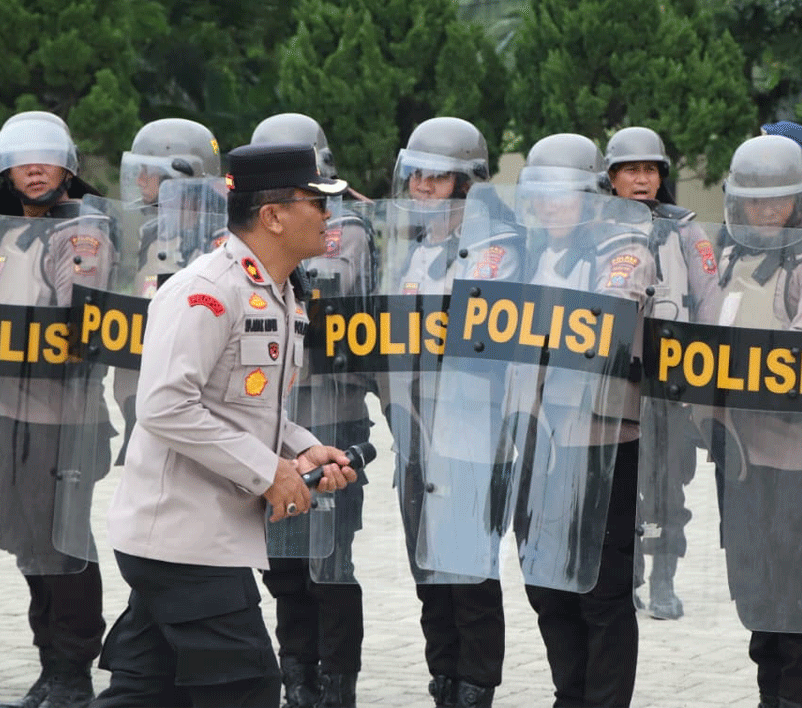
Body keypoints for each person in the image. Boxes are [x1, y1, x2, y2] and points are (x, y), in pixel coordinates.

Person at [92, 143, 358, 708]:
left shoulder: (279, 290)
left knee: (147, 690)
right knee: (249, 688)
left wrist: (303, 450)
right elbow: (164, 404)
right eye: (317, 201)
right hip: (184, 538)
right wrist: (268, 472)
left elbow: (247, 403)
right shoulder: (208, 291)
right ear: (273, 215)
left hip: (201, 535)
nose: (328, 215)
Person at [0, 112, 115, 708]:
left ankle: (73, 669)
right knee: (26, 543)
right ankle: (47, 662)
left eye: (46, 158)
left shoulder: (80, 232)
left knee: (62, 544)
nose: (34, 169)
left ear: (68, 166)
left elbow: (76, 322)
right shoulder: (10, 234)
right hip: (7, 417)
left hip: (64, 419)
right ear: (6, 169)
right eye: (22, 159)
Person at [510, 133, 653, 708]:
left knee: (600, 589)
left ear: (593, 196)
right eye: (541, 195)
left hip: (600, 438)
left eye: (564, 195)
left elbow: (608, 322)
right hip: (536, 436)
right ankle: (569, 694)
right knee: (545, 583)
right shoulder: (525, 252)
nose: (551, 206)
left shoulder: (625, 248)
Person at [710, 134, 802, 708]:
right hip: (740, 457)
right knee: (759, 601)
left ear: (800, 202)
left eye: (777, 202)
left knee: (798, 606)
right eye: (753, 202)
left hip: (799, 460)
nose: (765, 212)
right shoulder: (731, 256)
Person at [382, 117, 516, 708]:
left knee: (469, 571)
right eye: (417, 177)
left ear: (468, 184)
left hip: (470, 433)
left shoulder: (495, 252)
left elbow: (483, 346)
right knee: (427, 569)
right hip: (416, 432)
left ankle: (476, 682)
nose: (423, 189)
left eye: (438, 178)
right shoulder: (418, 251)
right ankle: (443, 675)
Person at [250, 113, 372, 708]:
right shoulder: (249, 231)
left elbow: (337, 290)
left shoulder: (346, 226)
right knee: (281, 562)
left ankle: (337, 681)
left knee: (329, 559)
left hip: (334, 413)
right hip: (271, 417)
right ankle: (295, 675)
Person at [603, 126, 721, 620]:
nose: (642, 178)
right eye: (631, 169)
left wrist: (707, 386)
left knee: (668, 487)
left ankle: (665, 577)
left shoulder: (687, 232)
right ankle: (627, 577)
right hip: (615, 386)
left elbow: (712, 304)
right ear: (611, 178)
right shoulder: (597, 229)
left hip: (673, 383)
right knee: (621, 487)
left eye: (650, 169)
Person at [113, 118, 223, 464]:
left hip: (201, 407)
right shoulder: (152, 235)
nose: (140, 180)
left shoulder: (224, 242)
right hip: (147, 399)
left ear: (181, 176)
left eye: (148, 171)